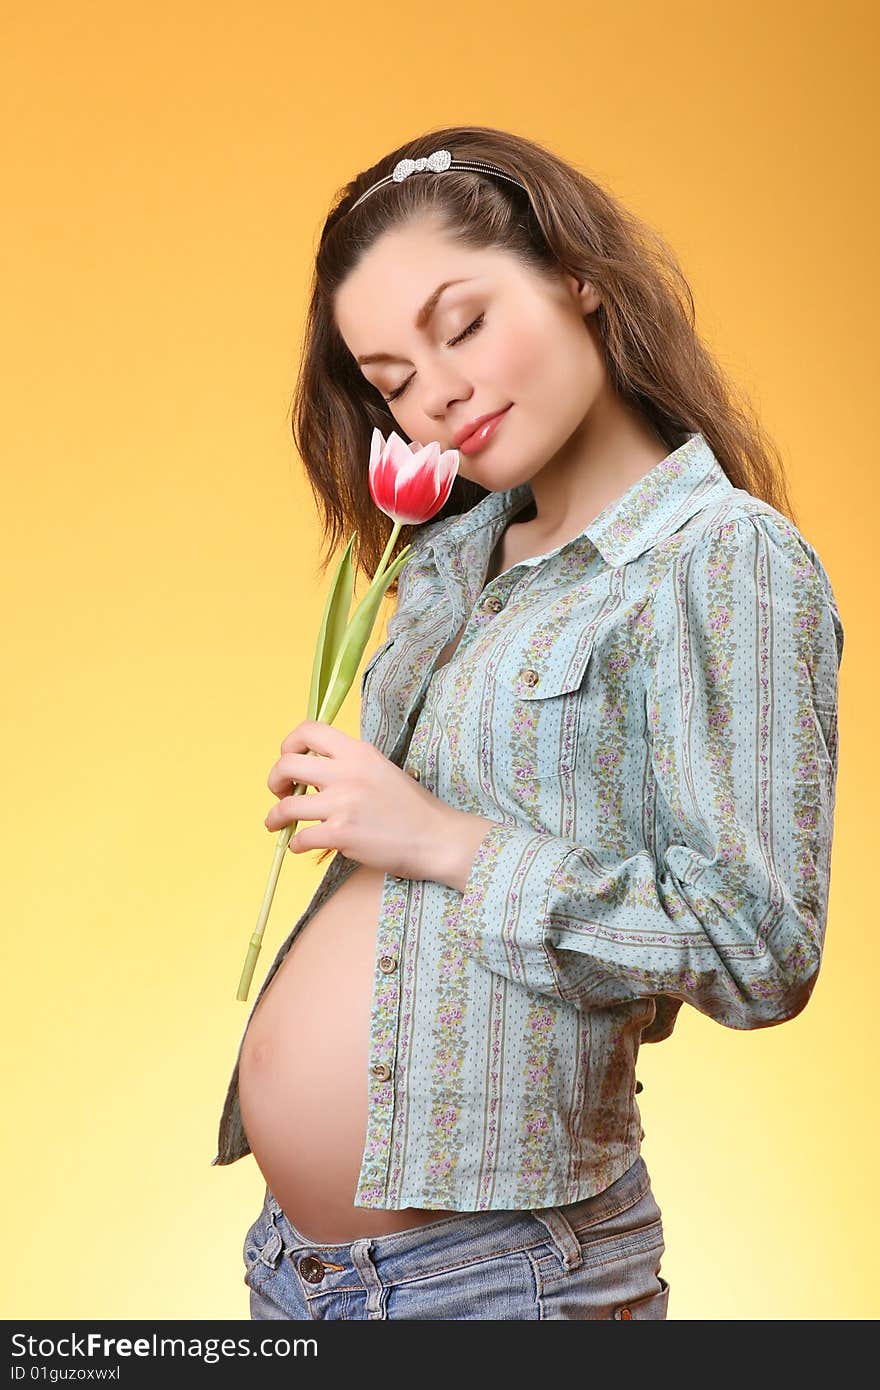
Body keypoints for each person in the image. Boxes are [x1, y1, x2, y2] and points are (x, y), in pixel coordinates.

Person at [212, 125, 844, 1321]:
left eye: (463, 325)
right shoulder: (454, 557)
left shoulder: (722, 561)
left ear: (576, 276)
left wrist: (440, 838)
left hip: (503, 1279)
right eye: (392, 378)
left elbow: (760, 947)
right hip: (299, 1270)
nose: (437, 393)